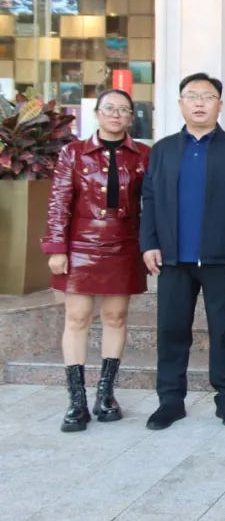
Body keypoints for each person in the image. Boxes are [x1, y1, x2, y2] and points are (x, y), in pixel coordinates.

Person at [140, 73, 225, 430]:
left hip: (222, 258)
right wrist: (149, 243)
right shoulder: (163, 150)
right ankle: (170, 401)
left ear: (219, 105)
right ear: (180, 104)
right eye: (191, 96)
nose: (199, 103)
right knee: (171, 331)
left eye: (207, 96)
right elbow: (149, 199)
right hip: (173, 258)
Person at [41, 89, 152, 433]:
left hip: (124, 243)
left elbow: (152, 203)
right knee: (77, 317)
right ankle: (76, 400)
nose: (116, 114)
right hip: (80, 244)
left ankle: (106, 395)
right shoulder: (73, 153)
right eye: (109, 108)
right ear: (97, 113)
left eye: (123, 109)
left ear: (131, 116)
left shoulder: (144, 155)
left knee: (116, 317)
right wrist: (56, 247)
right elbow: (59, 202)